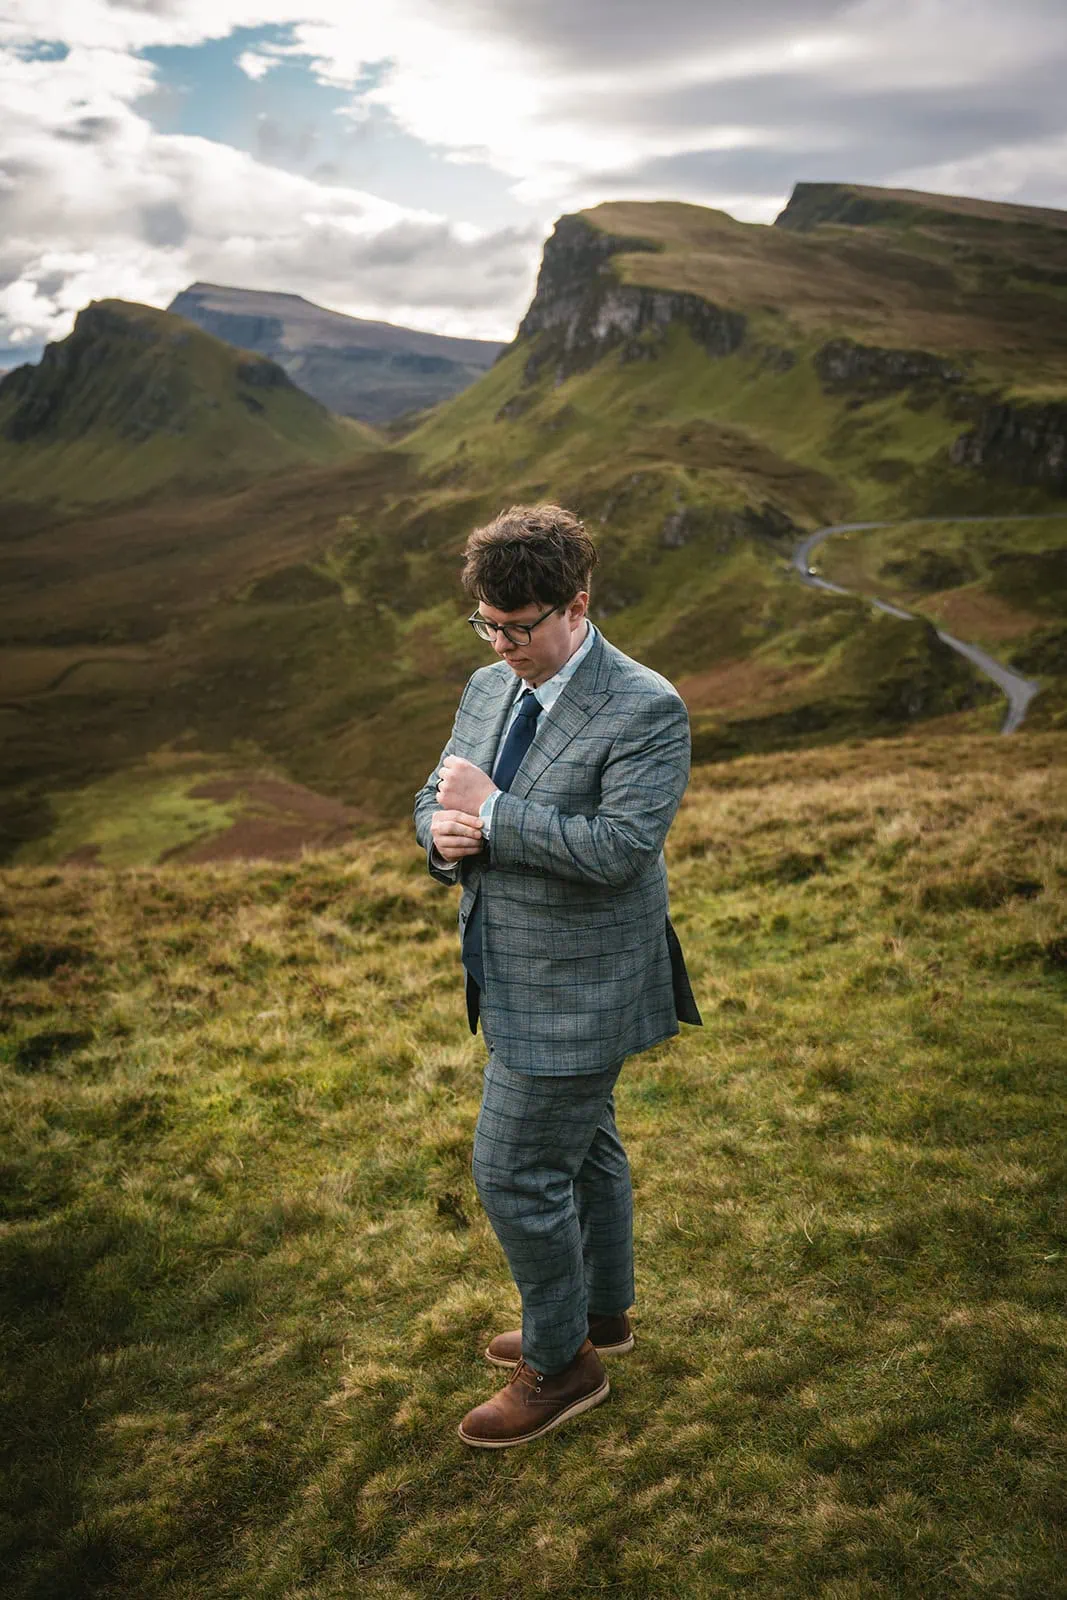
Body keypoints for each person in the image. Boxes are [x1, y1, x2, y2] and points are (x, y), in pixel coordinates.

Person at [413, 503, 701, 1449]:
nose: (502, 645)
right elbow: (439, 792)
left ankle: (559, 1365)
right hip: (507, 966)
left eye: (521, 627)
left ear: (577, 605)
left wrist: (492, 819)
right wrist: (443, 834)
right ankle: (600, 1317)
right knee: (586, 1148)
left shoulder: (645, 705)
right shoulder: (488, 684)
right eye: (487, 625)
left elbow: (621, 848)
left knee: (513, 1169)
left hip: (584, 982)